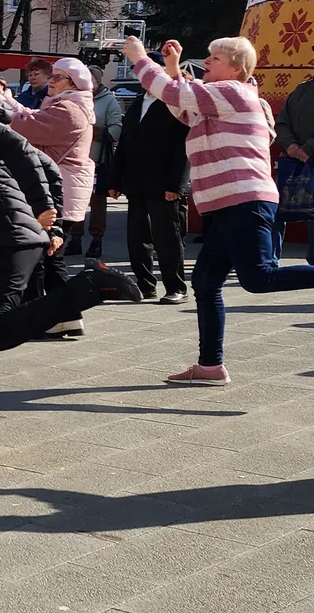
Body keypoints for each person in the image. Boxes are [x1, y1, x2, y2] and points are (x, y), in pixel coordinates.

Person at [0, 61, 141, 440]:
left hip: (5, 236)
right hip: (4, 237)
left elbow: (19, 147)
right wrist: (49, 222)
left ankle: (91, 285)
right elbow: (45, 163)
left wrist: (42, 208)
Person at [121, 35, 314, 384]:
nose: (206, 62)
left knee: (260, 277)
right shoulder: (222, 98)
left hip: (245, 200)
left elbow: (177, 97)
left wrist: (139, 59)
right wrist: (171, 68)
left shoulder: (234, 93)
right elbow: (183, 109)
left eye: (214, 57)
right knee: (207, 283)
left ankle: (211, 364)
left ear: (237, 68)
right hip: (227, 205)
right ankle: (210, 366)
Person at [0, 58, 96, 337]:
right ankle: (64, 316)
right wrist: (6, 99)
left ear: (73, 84)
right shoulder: (66, 105)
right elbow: (30, 118)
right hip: (56, 190)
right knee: (48, 257)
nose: (51, 82)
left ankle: (49, 316)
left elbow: (27, 126)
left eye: (58, 78)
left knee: (42, 256)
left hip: (56, 192)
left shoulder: (69, 109)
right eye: (52, 76)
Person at [111, 79, 191, 303]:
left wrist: (176, 185)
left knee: (167, 237)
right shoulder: (138, 104)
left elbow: (183, 146)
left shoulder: (174, 104)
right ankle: (145, 285)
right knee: (137, 237)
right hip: (136, 182)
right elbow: (124, 145)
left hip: (164, 183)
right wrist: (115, 180)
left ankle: (176, 287)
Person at [276, 74, 314, 264]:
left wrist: (308, 149)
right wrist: (290, 145)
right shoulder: (301, 89)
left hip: (306, 157)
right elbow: (282, 122)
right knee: (278, 210)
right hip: (294, 161)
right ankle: (270, 259)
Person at [86, 81, 123, 259]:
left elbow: (116, 130)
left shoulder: (109, 101)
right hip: (76, 159)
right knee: (74, 200)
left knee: (98, 202)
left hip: (98, 160)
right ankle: (75, 239)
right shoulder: (77, 96)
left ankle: (96, 239)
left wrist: (87, 130)